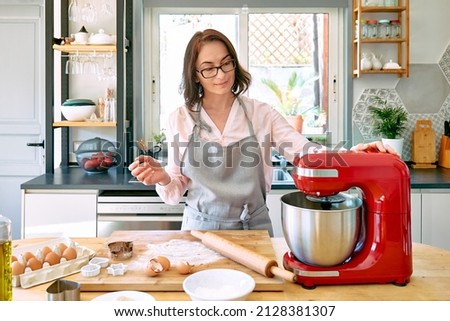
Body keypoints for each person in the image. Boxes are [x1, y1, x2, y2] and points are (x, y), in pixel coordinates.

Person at [128, 28, 397, 236]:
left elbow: (306, 153)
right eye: (209, 68)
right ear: (195, 74)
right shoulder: (180, 118)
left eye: (226, 63)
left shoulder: (261, 114)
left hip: (252, 230)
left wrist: (352, 155)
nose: (221, 74)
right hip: (199, 233)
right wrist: (163, 177)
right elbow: (175, 192)